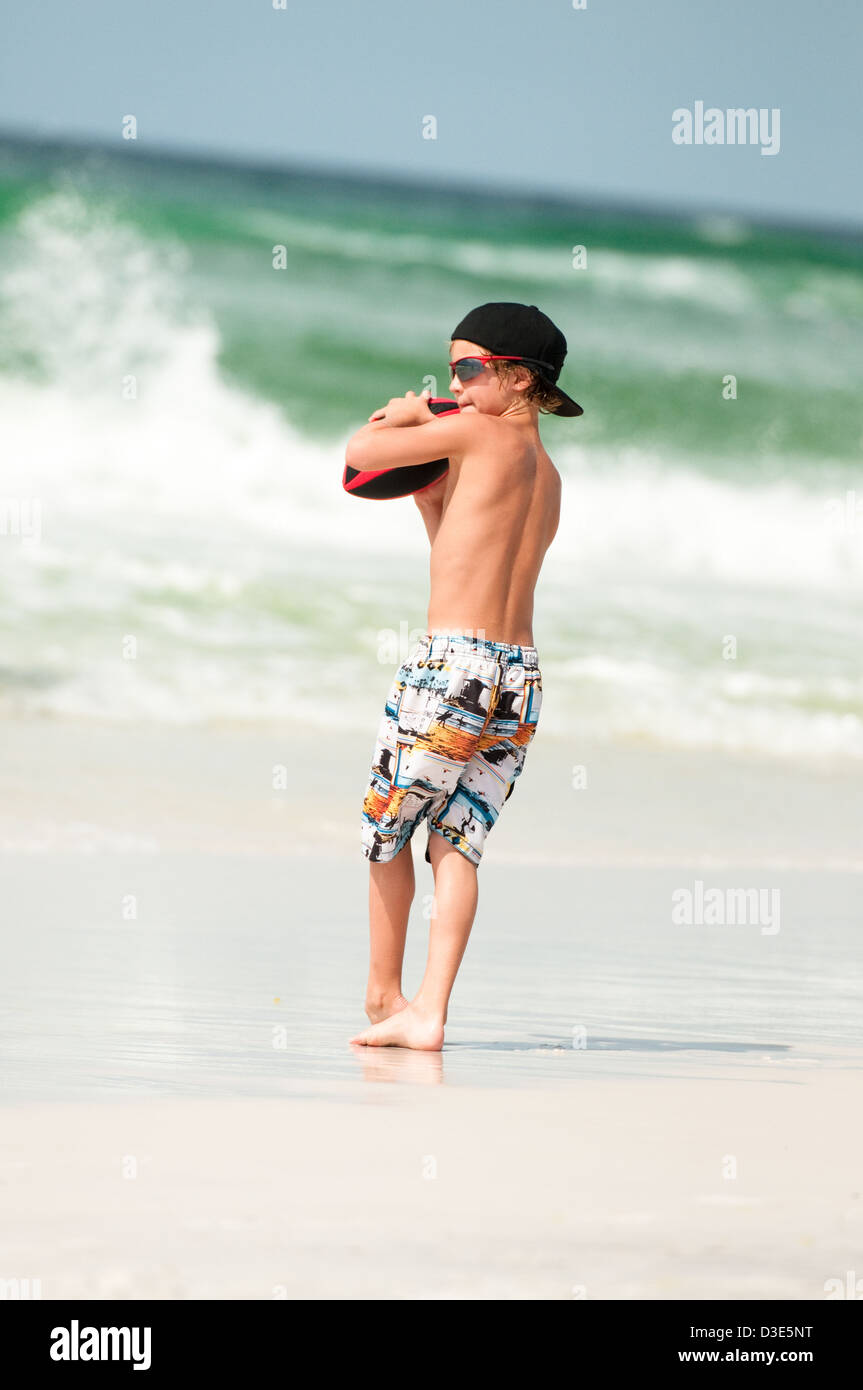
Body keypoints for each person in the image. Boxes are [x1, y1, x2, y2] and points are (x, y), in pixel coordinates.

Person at [346, 302, 582, 1050]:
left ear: (517, 379)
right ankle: (431, 1011)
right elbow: (468, 551)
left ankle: (384, 997)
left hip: (452, 668)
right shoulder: (546, 475)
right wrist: (428, 503)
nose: (454, 383)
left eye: (467, 370)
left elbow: (359, 450)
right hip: (517, 676)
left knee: (387, 830)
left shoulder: (477, 431)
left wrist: (403, 414)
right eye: (451, 370)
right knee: (456, 839)